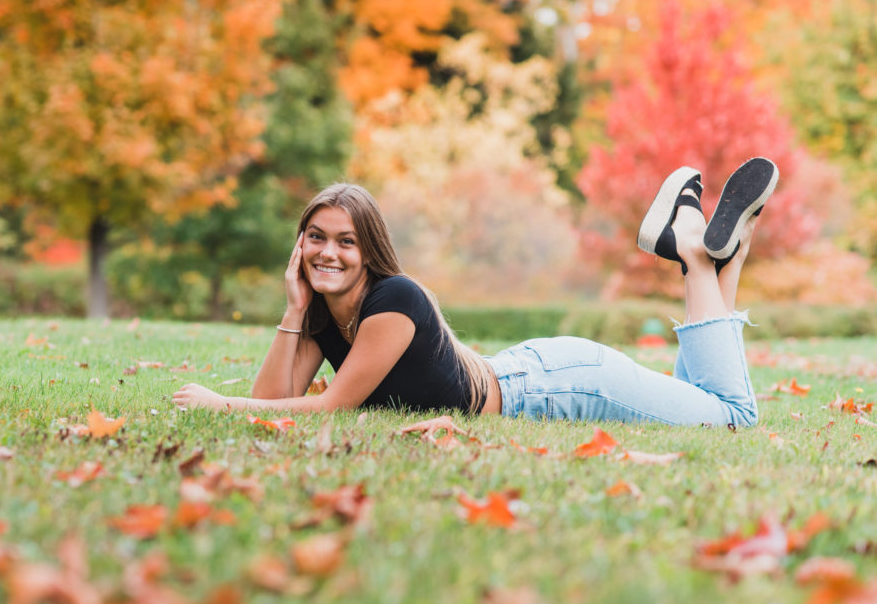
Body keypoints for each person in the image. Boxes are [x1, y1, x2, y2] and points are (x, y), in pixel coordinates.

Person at [172, 157, 779, 427]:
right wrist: (294, 309)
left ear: (370, 250)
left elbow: (328, 409)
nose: (328, 252)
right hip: (530, 370)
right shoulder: (324, 313)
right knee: (704, 397)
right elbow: (275, 398)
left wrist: (215, 404)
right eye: (315, 238)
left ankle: (697, 253)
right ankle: (723, 254)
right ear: (298, 245)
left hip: (560, 387)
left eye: (346, 242)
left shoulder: (395, 300)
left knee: (733, 418)